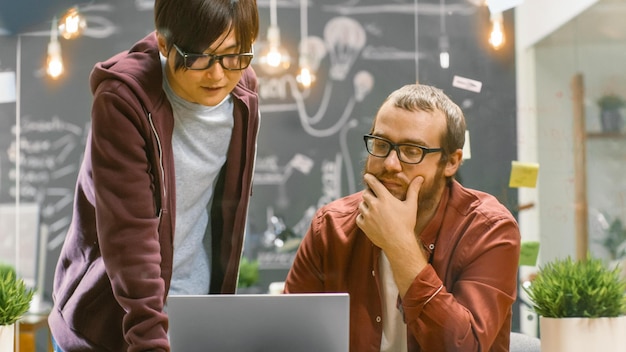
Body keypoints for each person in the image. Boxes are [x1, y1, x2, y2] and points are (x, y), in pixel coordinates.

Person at [48, 0, 259, 351]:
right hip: (106, 329)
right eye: (199, 58)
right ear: (163, 42)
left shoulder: (243, 93)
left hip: (194, 321)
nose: (218, 75)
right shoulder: (123, 101)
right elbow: (130, 238)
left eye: (234, 56)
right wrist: (149, 340)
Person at [284, 84, 521, 352]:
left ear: (451, 162)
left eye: (411, 150)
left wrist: (400, 245)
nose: (390, 164)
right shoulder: (330, 227)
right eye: (381, 144)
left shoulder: (488, 229)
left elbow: (464, 348)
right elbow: (290, 337)